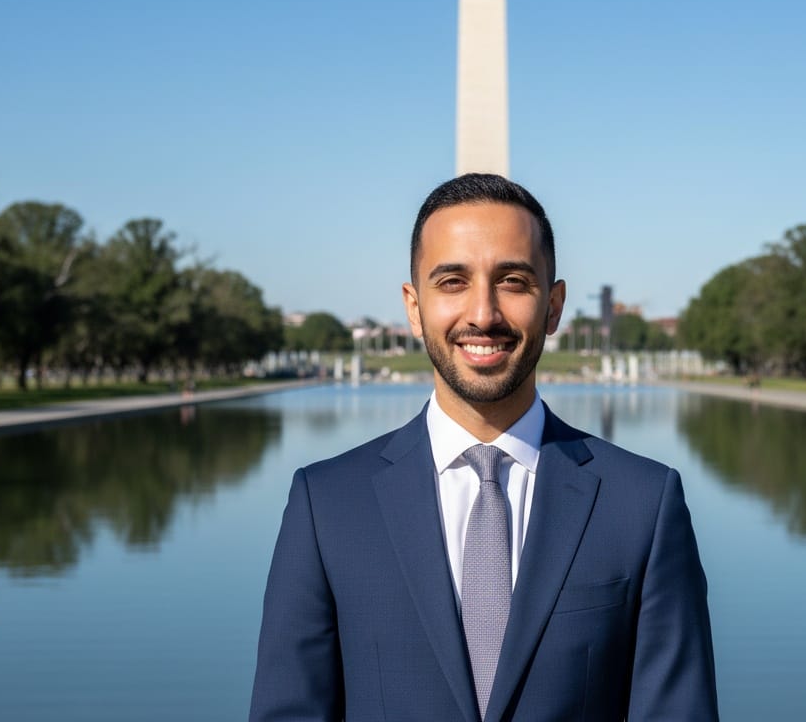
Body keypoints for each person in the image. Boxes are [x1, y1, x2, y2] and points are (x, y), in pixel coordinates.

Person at [249, 174, 719, 721]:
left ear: (554, 305)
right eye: (452, 281)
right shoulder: (327, 504)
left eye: (513, 281)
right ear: (413, 306)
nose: (483, 314)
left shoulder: (643, 504)